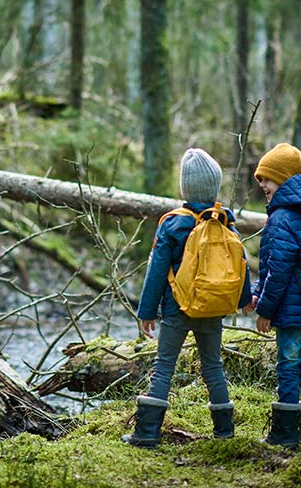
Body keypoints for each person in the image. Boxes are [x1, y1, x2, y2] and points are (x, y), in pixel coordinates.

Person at [121, 148, 253, 448]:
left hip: (177, 308)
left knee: (164, 365)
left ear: (185, 187)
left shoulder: (172, 223)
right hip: (213, 308)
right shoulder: (225, 222)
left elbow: (156, 270)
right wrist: (244, 300)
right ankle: (224, 432)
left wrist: (146, 312)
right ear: (214, 187)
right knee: (213, 366)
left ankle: (147, 433)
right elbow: (240, 263)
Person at [251, 142, 301, 449]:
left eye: (266, 179)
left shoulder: (282, 217)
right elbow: (273, 267)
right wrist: (259, 291)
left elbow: (279, 270)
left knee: (288, 365)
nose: (262, 186)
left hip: (292, 311)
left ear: (283, 178)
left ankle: (285, 435)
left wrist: (265, 309)